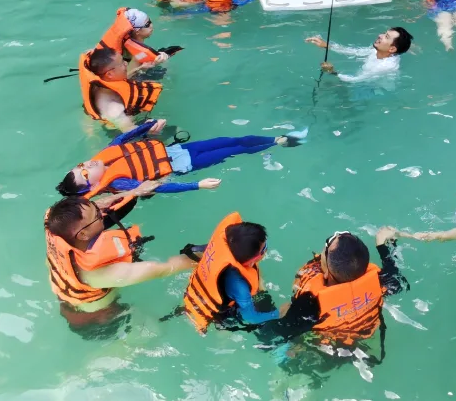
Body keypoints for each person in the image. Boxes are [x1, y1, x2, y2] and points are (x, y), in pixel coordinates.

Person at [45, 195, 195, 335]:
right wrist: (207, 253)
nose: (101, 214)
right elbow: (163, 269)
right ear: (83, 235)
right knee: (153, 330)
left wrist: (136, 191)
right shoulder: (97, 274)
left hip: (69, 299)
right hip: (98, 317)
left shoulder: (55, 223)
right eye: (97, 216)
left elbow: (95, 207)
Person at [56, 118, 307, 198]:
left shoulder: (106, 154)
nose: (87, 164)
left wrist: (150, 124)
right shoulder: (119, 182)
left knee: (231, 140)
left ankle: (275, 139)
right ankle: (284, 142)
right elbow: (162, 187)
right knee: (235, 150)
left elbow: (126, 137)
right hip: (185, 165)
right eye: (85, 173)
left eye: (81, 165)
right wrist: (197, 185)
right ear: (92, 185)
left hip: (175, 151)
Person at [256, 229, 408, 359]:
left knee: (286, 310)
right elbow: (397, 279)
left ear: (327, 272)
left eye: (327, 246)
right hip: (355, 347)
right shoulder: (381, 282)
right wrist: (383, 244)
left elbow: (269, 335)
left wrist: (258, 290)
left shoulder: (311, 305)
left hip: (321, 350)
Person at [181, 212, 280, 332]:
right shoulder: (240, 285)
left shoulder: (227, 242)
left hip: (197, 292)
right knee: (266, 314)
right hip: (217, 313)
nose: (266, 249)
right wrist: (279, 313)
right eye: (264, 248)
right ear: (252, 260)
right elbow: (251, 318)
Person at [78, 46, 162, 131]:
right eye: (122, 63)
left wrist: (139, 69)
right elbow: (130, 133)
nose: (126, 63)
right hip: (117, 130)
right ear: (110, 74)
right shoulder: (113, 108)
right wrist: (150, 129)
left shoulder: (100, 83)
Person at [306, 27, 412, 84]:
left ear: (392, 49)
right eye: (384, 33)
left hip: (375, 90)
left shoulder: (384, 67)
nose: (380, 35)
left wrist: (332, 72)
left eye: (386, 36)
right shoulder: (376, 51)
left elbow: (356, 80)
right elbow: (353, 52)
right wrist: (327, 45)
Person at [95, 7, 171, 75]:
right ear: (137, 31)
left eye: (150, 21)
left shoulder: (131, 42)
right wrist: (142, 68)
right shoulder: (132, 52)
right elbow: (125, 77)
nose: (151, 25)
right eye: (147, 24)